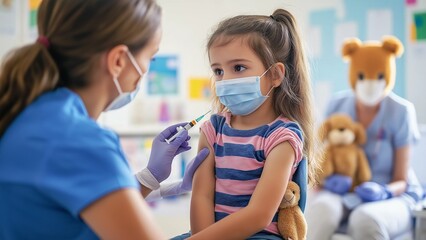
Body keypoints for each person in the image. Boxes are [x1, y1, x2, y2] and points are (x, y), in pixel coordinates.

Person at [0, 1, 209, 239]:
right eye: (150, 58)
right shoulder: (78, 140)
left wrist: (150, 176)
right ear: (119, 60)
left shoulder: (26, 113)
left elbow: (73, 205)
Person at [172, 9, 320, 240]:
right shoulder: (213, 129)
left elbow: (259, 215)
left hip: (259, 235)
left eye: (238, 68)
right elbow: (201, 196)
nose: (226, 80)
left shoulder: (282, 136)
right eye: (218, 71)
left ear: (275, 75)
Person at [305, 39, 423, 239]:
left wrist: (383, 191)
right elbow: (322, 156)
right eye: (362, 77)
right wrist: (325, 181)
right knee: (321, 211)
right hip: (343, 193)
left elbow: (401, 180)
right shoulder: (337, 104)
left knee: (365, 219)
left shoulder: (401, 111)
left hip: (391, 195)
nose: (369, 85)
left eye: (378, 77)